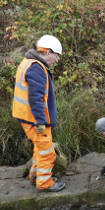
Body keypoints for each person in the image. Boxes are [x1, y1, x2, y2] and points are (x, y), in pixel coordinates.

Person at [12, 34, 65, 192]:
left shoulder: (29, 62)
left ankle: (35, 175)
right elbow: (36, 99)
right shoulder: (37, 68)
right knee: (47, 152)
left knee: (40, 148)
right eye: (56, 56)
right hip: (35, 120)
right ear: (48, 52)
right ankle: (44, 183)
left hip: (27, 117)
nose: (57, 60)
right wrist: (41, 121)